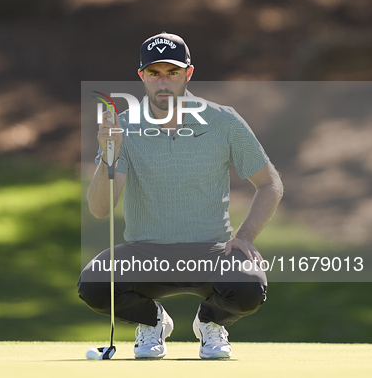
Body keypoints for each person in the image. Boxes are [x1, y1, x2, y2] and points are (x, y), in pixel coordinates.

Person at [78, 32, 284, 359]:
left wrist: (245, 235)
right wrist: (109, 155)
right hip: (145, 253)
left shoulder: (223, 120)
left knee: (250, 286)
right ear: (141, 76)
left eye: (172, 73)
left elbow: (270, 184)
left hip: (211, 252)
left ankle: (210, 322)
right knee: (93, 284)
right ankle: (153, 321)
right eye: (154, 73)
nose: (164, 82)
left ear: (188, 73)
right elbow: (100, 208)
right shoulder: (125, 127)